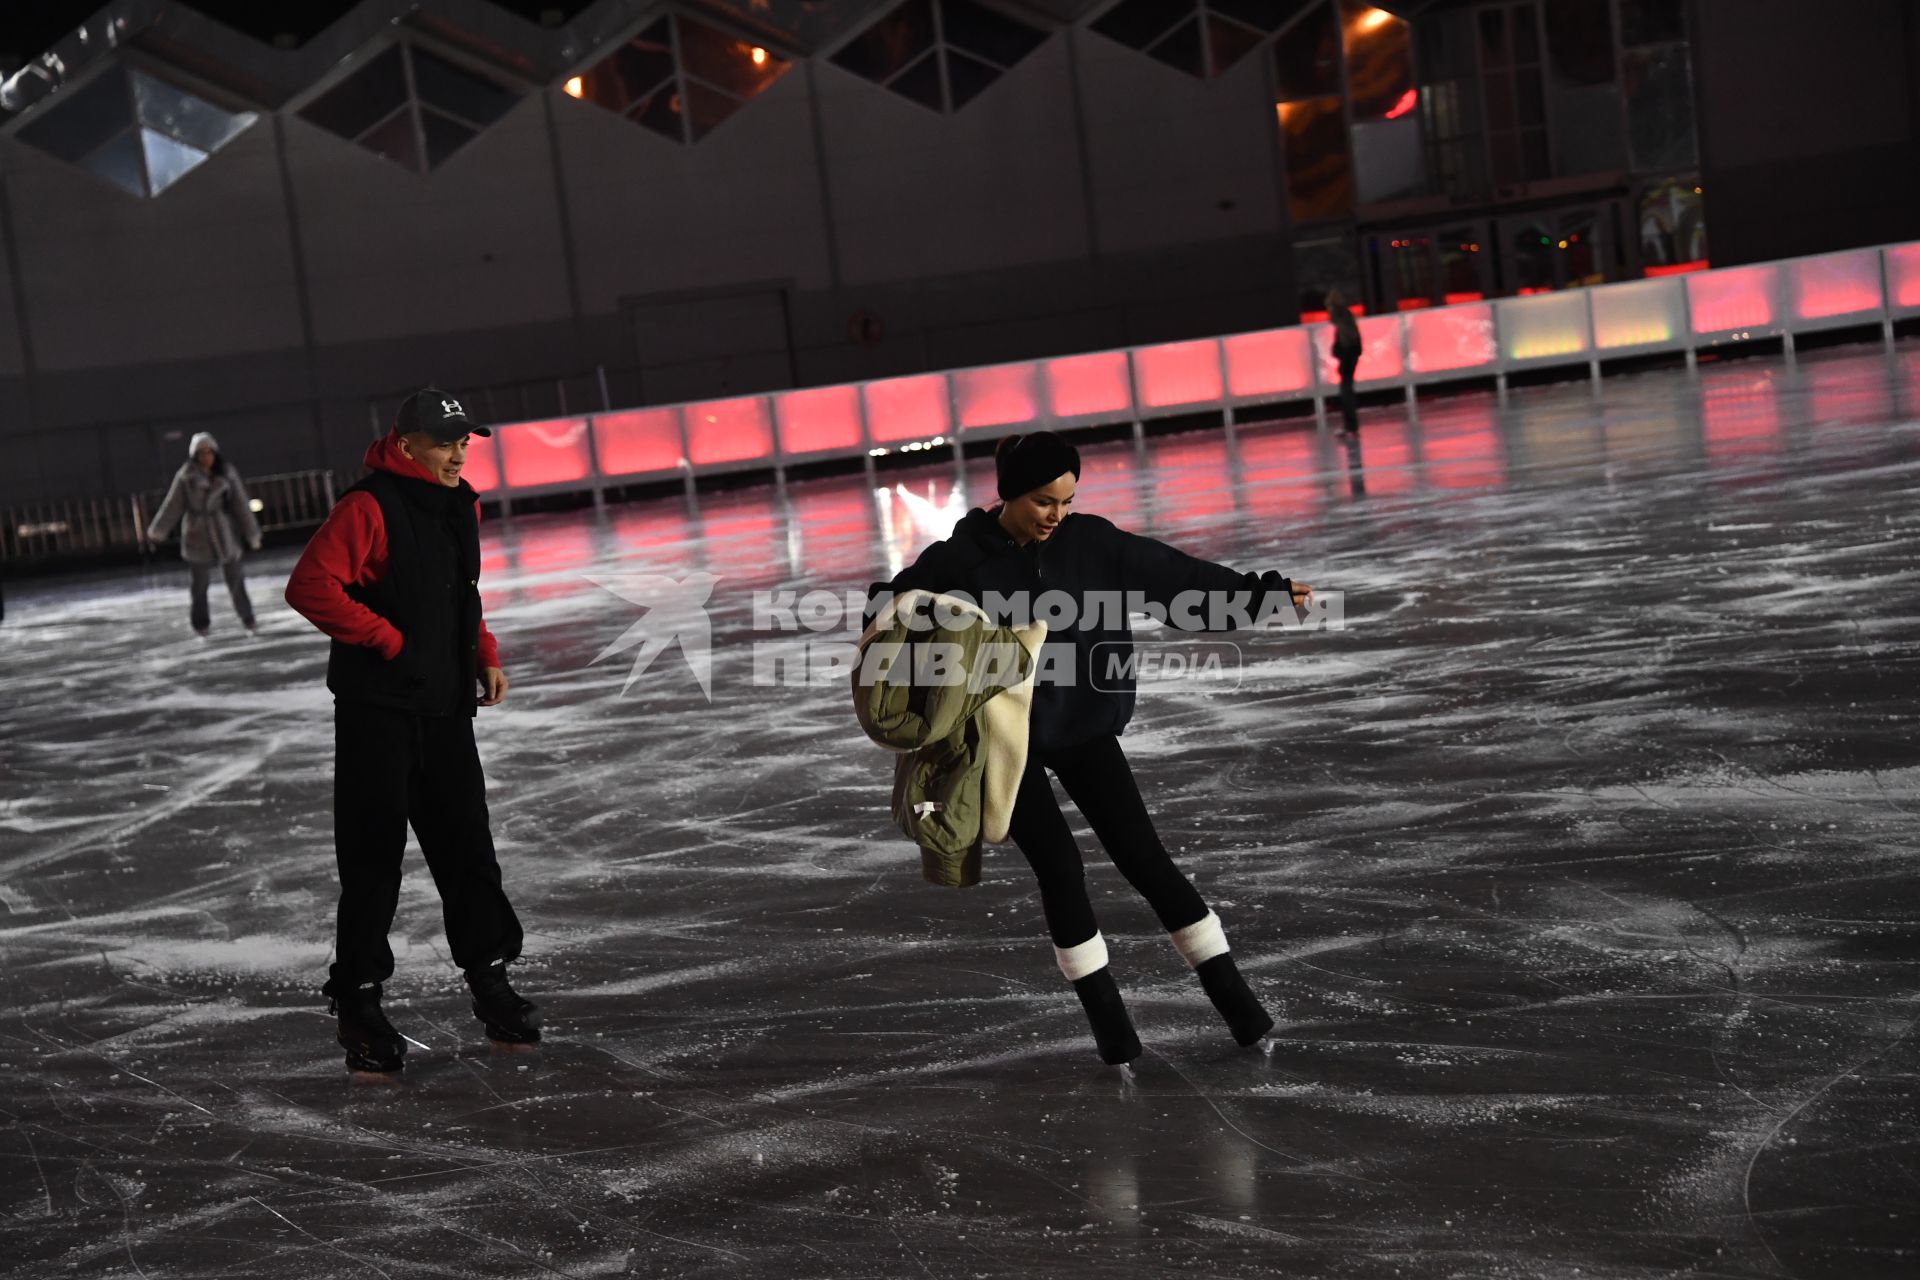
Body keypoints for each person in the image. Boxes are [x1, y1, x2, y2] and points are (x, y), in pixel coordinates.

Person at [870, 431, 1311, 1065]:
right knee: (1061, 871)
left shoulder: (1092, 543)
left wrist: (1259, 595)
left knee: (1145, 860)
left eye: (1066, 501)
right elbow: (890, 612)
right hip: (1003, 744)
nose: (1055, 514)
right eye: (1043, 501)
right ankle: (1112, 1027)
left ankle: (1237, 1004)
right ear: (1010, 494)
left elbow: (1178, 582)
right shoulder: (960, 560)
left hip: (1083, 727)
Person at [284, 388, 537, 1075]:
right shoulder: (368, 507)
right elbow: (310, 585)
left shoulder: (461, 504)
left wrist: (482, 653)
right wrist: (386, 640)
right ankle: (359, 1002)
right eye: (444, 442)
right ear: (405, 446)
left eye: (464, 441)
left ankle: (491, 982)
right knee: (373, 863)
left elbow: (464, 591)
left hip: (447, 709)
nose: (458, 453)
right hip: (379, 715)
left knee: (468, 853)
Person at [146, 431, 261, 636]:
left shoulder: (226, 473)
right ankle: (200, 624)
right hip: (197, 534)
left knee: (236, 578)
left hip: (223, 532)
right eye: (201, 454)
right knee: (199, 584)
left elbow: (241, 504)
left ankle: (248, 618)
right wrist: (158, 530)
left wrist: (252, 533)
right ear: (195, 456)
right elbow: (173, 505)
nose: (206, 457)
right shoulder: (186, 476)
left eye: (209, 452)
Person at [1327, 288, 1364, 437]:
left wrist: (1339, 353)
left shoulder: (1342, 318)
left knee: (1346, 392)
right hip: (1350, 356)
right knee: (1346, 391)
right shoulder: (1346, 317)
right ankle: (1350, 427)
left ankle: (1351, 426)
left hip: (1348, 358)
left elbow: (1346, 341)